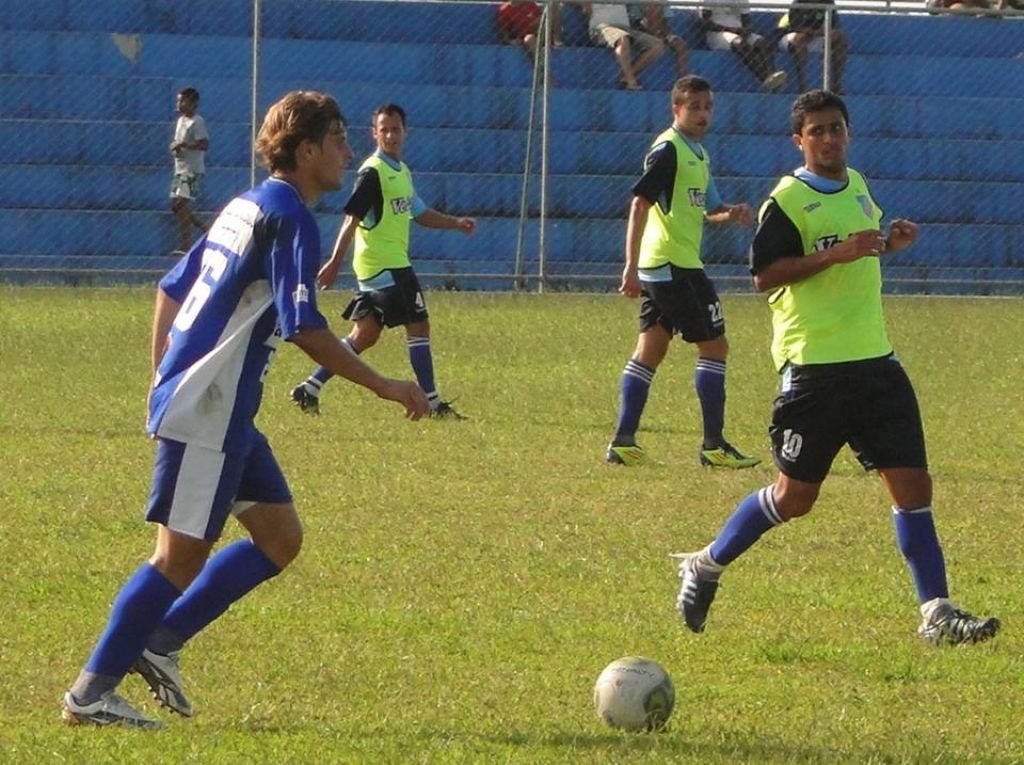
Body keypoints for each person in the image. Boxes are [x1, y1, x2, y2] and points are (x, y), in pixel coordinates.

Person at [60, 91, 430, 729]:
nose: (348, 151)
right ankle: (91, 693)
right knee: (177, 558)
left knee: (280, 538)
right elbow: (305, 326)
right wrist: (384, 384)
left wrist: (160, 375)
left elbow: (170, 287)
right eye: (339, 139)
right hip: (211, 408)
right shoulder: (288, 214)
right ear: (307, 149)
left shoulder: (246, 204)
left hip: (225, 409)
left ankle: (162, 641)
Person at [675, 90, 1000, 646]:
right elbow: (766, 276)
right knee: (793, 498)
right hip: (814, 372)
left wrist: (889, 245)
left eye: (836, 128)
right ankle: (705, 564)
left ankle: (937, 612)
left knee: (913, 486)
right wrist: (836, 253)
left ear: (848, 133)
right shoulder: (788, 200)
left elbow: (858, 252)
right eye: (817, 131)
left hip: (876, 363)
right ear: (799, 140)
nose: (828, 138)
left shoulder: (858, 187)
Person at [607, 75, 760, 470]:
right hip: (674, 266)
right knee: (715, 346)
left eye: (707, 106)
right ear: (676, 109)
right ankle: (714, 445)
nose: (702, 113)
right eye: (694, 106)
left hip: (666, 265)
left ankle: (623, 441)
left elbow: (709, 210)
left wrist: (732, 213)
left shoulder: (699, 154)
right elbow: (639, 204)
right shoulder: (669, 150)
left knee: (651, 350)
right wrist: (629, 266)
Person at [291, 103, 475, 418]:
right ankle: (432, 403)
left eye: (395, 129)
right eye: (384, 129)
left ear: (405, 132)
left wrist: (455, 222)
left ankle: (309, 387)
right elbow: (352, 217)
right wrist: (335, 260)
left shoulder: (400, 172)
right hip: (385, 264)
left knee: (366, 334)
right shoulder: (373, 172)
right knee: (419, 325)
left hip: (381, 264)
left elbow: (419, 212)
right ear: (374, 133)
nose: (390, 135)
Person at [698, 0, 788, 92]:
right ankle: (765, 78)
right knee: (739, 43)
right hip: (717, 33)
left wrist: (746, 30)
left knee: (762, 42)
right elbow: (704, 22)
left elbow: (746, 21)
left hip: (738, 32)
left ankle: (772, 75)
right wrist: (728, 29)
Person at [582, 2, 665, 90]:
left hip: (625, 28)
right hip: (602, 27)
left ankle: (627, 75)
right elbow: (586, 10)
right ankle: (631, 81)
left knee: (657, 45)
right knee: (622, 39)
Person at [169, 87, 210, 254]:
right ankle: (207, 230)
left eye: (182, 101)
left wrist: (184, 145)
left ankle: (185, 245)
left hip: (191, 170)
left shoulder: (197, 121)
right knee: (176, 206)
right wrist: (175, 147)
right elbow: (178, 141)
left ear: (193, 103)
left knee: (180, 204)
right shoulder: (181, 121)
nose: (179, 104)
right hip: (180, 169)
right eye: (178, 101)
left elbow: (204, 144)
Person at [777, 0, 847, 94]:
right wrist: (812, 32)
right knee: (800, 38)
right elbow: (795, 26)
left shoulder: (828, 2)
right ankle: (802, 85)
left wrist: (828, 32)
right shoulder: (798, 2)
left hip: (818, 35)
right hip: (793, 37)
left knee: (841, 39)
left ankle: (836, 84)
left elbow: (834, 25)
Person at [631, 3, 689, 78]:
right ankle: (634, 74)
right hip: (644, 32)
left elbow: (665, 22)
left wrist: (664, 34)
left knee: (680, 45)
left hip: (661, 32)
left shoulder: (663, 2)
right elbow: (637, 23)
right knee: (652, 8)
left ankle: (683, 78)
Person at [497, 1, 564, 64]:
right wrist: (510, 41)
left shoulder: (529, 3)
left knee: (553, 5)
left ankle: (557, 40)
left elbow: (541, 18)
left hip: (541, 30)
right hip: (525, 34)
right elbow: (503, 30)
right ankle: (543, 69)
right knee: (529, 39)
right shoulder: (504, 10)